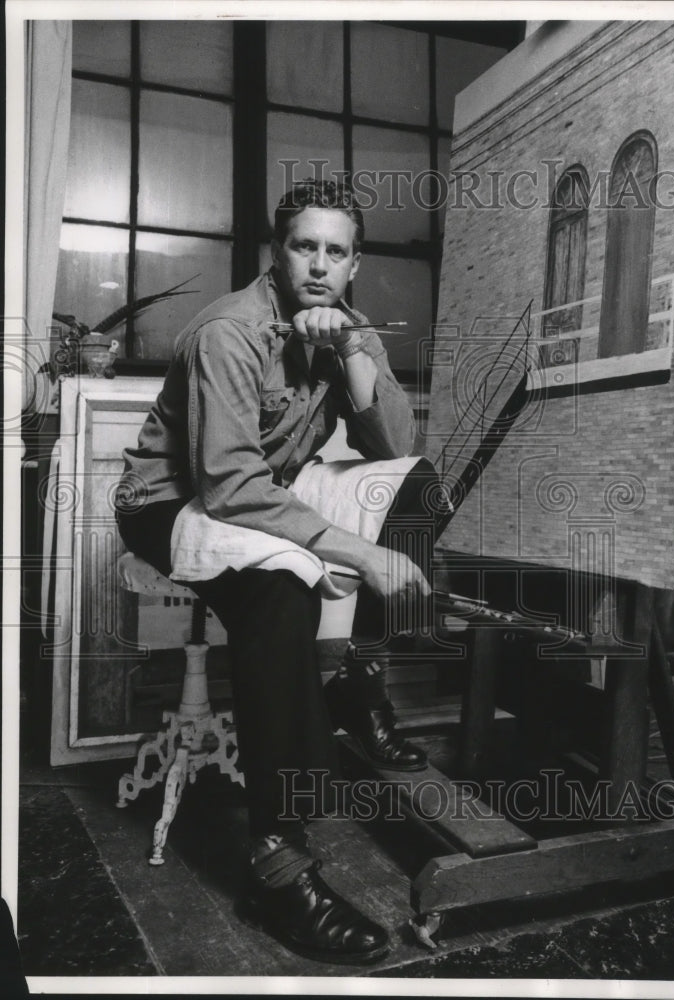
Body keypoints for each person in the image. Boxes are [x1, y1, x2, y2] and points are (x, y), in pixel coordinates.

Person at [115, 179, 439, 965]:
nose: (320, 265)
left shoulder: (343, 328)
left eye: (336, 251)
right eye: (305, 247)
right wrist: (358, 553)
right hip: (169, 501)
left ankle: (353, 679)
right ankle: (279, 869)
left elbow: (392, 446)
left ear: (355, 261)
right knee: (279, 585)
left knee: (417, 485)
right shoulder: (229, 331)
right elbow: (227, 486)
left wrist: (354, 348)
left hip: (265, 496)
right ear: (278, 252)